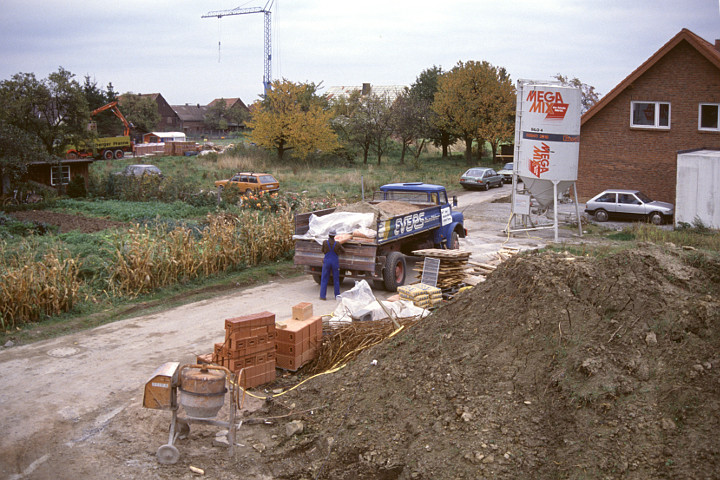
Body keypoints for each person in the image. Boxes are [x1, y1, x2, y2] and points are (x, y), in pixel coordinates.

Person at [320, 229, 345, 300]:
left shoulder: (325, 242)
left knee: (324, 278)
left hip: (327, 261)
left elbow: (322, 250)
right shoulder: (337, 244)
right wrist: (338, 252)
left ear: (328, 235)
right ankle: (337, 296)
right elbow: (343, 251)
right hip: (335, 262)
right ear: (334, 236)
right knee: (336, 279)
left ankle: (323, 296)